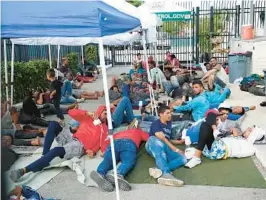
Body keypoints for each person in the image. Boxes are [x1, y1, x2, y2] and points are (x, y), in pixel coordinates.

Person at [10, 106, 109, 182]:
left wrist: (93, 151)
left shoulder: (104, 129)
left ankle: (24, 170)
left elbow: (102, 145)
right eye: (105, 113)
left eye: (108, 114)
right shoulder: (88, 118)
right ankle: (44, 157)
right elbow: (71, 112)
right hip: (71, 137)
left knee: (56, 151)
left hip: (80, 145)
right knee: (53, 124)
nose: (106, 116)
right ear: (99, 111)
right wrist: (87, 113)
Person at [90, 128, 149, 192]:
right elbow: (149, 138)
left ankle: (100, 172)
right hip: (128, 143)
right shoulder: (138, 131)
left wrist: (103, 150)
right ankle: (118, 173)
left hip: (114, 143)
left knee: (108, 160)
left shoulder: (119, 132)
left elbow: (107, 140)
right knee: (128, 161)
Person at [145, 105, 187, 187]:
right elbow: (162, 139)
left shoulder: (169, 123)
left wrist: (179, 142)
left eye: (171, 113)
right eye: (167, 113)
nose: (170, 115)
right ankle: (166, 174)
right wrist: (176, 149)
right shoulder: (156, 124)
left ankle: (159, 170)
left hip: (164, 145)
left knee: (183, 159)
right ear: (161, 114)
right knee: (158, 146)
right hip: (153, 144)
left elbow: (167, 139)